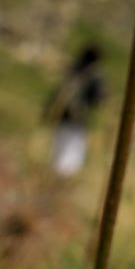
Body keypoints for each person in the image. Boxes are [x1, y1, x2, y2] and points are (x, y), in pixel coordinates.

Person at [45, 45, 106, 178]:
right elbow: (97, 99)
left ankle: (57, 175)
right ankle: (63, 177)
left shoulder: (74, 70)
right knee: (72, 150)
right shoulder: (95, 76)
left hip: (64, 117)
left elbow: (59, 93)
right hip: (78, 120)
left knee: (61, 146)